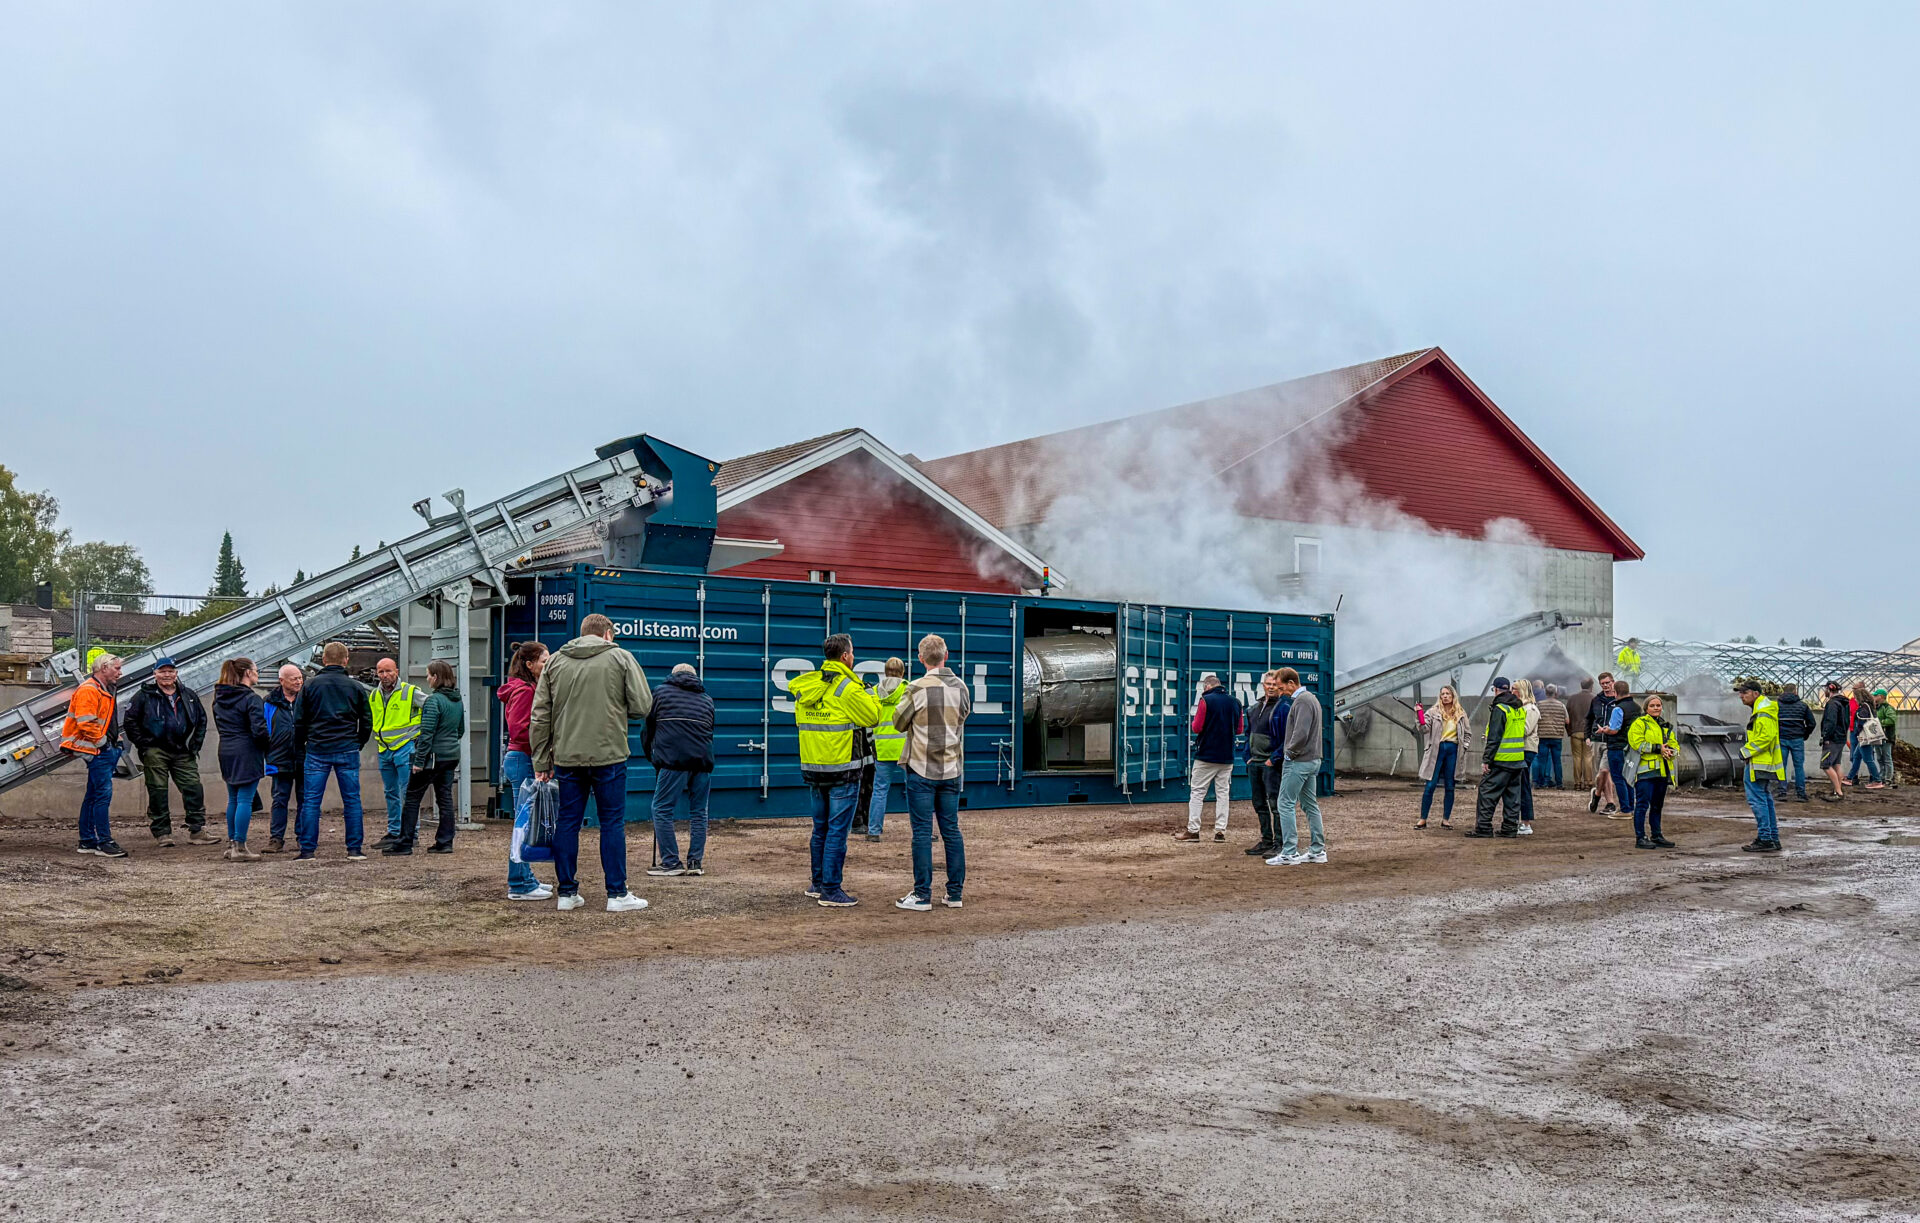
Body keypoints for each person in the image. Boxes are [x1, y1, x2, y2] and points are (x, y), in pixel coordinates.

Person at [532, 613, 654, 912]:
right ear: (608, 634)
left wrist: (541, 758)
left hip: (566, 755)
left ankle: (566, 893)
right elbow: (642, 706)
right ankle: (616, 894)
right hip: (608, 753)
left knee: (567, 822)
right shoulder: (621, 658)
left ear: (582, 632)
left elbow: (540, 716)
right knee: (611, 822)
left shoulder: (556, 661)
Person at [789, 633, 881, 908]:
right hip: (842, 769)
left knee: (820, 829)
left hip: (814, 768)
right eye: (852, 653)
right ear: (844, 656)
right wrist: (870, 694)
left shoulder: (808, 686)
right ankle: (831, 889)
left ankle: (817, 884)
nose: (854, 658)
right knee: (837, 832)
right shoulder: (849, 689)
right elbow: (873, 717)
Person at [892, 633, 971, 911]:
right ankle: (954, 893)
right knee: (951, 830)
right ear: (946, 656)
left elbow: (899, 723)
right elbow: (963, 717)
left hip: (921, 768)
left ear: (921, 658)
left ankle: (922, 894)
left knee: (922, 833)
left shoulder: (915, 688)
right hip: (951, 769)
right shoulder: (961, 687)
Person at [293, 641, 374, 861]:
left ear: (324, 660)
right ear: (346, 660)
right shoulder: (355, 687)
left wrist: (302, 744)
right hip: (347, 748)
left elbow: (299, 720)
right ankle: (354, 849)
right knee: (352, 800)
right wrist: (358, 742)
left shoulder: (310, 685)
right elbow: (367, 721)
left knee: (311, 800)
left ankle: (308, 849)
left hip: (317, 749)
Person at [125, 656, 215, 847]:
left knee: (193, 787)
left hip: (183, 750)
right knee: (158, 790)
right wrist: (144, 743)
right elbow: (130, 722)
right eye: (162, 671)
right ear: (154, 674)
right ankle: (162, 832)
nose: (167, 675)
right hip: (156, 751)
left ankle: (197, 830)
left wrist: (194, 745)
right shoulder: (144, 696)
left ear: (176, 673)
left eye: (170, 671)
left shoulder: (188, 695)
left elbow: (201, 720)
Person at [643, 662, 716, 877]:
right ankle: (695, 863)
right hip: (703, 760)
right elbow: (710, 731)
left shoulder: (659, 693)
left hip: (673, 760)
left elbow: (647, 730)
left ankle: (671, 862)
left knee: (661, 809)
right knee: (699, 812)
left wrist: (653, 758)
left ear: (673, 675)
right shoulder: (707, 699)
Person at [385, 659, 464, 855]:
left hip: (433, 757)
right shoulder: (457, 700)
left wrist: (419, 762)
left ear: (436, 677)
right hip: (451, 755)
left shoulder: (433, 701)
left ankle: (405, 843)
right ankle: (445, 842)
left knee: (412, 798)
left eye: (428, 675)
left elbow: (427, 734)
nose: (427, 679)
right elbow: (460, 730)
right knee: (444, 798)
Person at [497, 641, 552, 900]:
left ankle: (526, 877)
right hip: (524, 758)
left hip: (520, 757)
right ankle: (518, 883)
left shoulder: (524, 688)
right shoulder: (526, 691)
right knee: (523, 823)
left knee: (526, 822)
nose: (548, 664)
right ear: (529, 665)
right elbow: (521, 728)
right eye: (544, 660)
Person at [62, 652, 128, 858]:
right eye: (116, 668)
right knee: (101, 797)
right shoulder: (90, 690)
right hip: (98, 751)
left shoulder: (99, 689)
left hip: (100, 750)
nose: (120, 672)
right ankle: (104, 842)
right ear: (103, 668)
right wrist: (104, 744)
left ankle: (88, 840)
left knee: (93, 797)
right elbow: (86, 722)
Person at [1263, 668, 1325, 865]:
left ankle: (1289, 852)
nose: (1281, 692)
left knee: (1285, 803)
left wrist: (1288, 753)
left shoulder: (1303, 701)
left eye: (1282, 688)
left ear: (1291, 683)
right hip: (1311, 759)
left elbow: (1301, 733)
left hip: (1299, 761)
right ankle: (1317, 850)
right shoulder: (1311, 699)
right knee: (1309, 804)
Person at [212, 657, 271, 861]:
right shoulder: (251, 698)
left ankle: (232, 844)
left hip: (226, 749)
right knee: (245, 799)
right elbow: (259, 730)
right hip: (247, 750)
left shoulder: (219, 697)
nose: (257, 673)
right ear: (247, 673)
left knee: (234, 799)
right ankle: (240, 846)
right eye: (256, 669)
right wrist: (268, 746)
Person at [1178, 672, 1243, 842]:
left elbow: (1197, 727)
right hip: (1227, 755)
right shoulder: (1236, 702)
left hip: (1206, 755)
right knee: (1223, 793)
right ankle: (1220, 832)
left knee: (1198, 792)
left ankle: (1193, 831)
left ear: (1207, 686)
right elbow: (1239, 730)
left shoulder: (1205, 701)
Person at [369, 658, 425, 850]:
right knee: (390, 792)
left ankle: (411, 833)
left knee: (406, 792)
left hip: (404, 747)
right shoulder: (374, 695)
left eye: (388, 671)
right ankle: (394, 832)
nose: (384, 675)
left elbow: (431, 707)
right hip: (384, 748)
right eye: (381, 672)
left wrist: (420, 734)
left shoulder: (410, 692)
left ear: (396, 671)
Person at [1465, 677, 1527, 838]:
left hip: (1501, 760)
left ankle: (1483, 828)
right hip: (1518, 760)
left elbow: (1494, 737)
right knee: (1512, 797)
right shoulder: (1519, 707)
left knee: (1487, 793)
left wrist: (1487, 760)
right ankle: (1509, 829)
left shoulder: (1500, 708)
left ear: (1496, 689)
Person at [1736, 680, 1784, 852]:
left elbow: (1766, 737)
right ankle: (1771, 837)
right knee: (1765, 799)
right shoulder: (1764, 709)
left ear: (1756, 693)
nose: (1741, 696)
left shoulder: (1763, 712)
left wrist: (1746, 751)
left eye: (1744, 692)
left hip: (1759, 763)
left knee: (1757, 800)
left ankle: (1765, 838)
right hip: (1764, 762)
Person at [1416, 684, 1473, 830]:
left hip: (1453, 749)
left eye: (1448, 694)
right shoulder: (1433, 711)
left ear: (1453, 696)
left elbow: (1468, 733)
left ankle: (1446, 819)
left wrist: (1464, 747)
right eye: (1443, 694)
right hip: (1437, 749)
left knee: (1450, 786)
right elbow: (1424, 729)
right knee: (1430, 785)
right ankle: (1423, 819)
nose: (1445, 696)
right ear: (1440, 696)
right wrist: (1420, 715)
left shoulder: (1460, 713)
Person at [260, 664, 304, 853]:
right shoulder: (269, 702)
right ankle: (276, 839)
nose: (298, 681)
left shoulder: (307, 699)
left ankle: (303, 837)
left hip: (305, 757)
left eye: (300, 677)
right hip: (279, 759)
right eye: (294, 678)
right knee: (279, 799)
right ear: (281, 681)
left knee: (305, 799)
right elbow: (263, 730)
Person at [864, 658, 909, 842]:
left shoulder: (874, 692)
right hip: (906, 749)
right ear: (902, 672)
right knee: (916, 790)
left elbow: (868, 722)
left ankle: (874, 831)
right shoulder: (908, 689)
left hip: (882, 748)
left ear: (885, 672)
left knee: (879, 790)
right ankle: (924, 831)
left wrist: (871, 743)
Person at [1626, 694, 1678, 850]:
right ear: (1646, 708)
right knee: (1642, 805)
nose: (1656, 708)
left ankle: (1657, 835)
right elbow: (1636, 743)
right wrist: (1658, 748)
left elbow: (1674, 743)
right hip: (1645, 772)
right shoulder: (1639, 723)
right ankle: (1640, 837)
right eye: (1653, 705)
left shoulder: (1665, 725)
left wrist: (1671, 751)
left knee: (1657, 805)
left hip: (1662, 771)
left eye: (1658, 705)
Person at [1244, 671, 1285, 855]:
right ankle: (1266, 840)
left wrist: (1273, 759)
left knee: (1275, 804)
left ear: (1280, 686)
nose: (1271, 687)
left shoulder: (1283, 709)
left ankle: (1280, 843)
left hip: (1271, 765)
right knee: (1259, 803)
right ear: (1263, 685)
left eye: (1274, 684)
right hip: (1255, 763)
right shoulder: (1254, 708)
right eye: (1268, 684)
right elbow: (1248, 734)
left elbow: (1287, 739)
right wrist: (1248, 757)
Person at [1599, 680, 1640, 825]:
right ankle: (1631, 807)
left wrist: (1605, 730)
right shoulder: (1637, 707)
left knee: (1618, 778)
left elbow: (1614, 729)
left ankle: (1625, 809)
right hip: (1631, 748)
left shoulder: (1618, 709)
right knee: (1629, 778)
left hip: (1617, 747)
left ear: (1615, 692)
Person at [1771, 682, 1816, 804]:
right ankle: (1801, 793)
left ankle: (1782, 792)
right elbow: (1812, 723)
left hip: (1781, 739)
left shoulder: (1776, 705)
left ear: (1783, 692)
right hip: (1797, 739)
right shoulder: (1803, 706)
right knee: (1799, 767)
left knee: (1781, 767)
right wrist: (1804, 734)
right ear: (1795, 692)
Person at [1586, 671, 1618, 815]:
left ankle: (1606, 800)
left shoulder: (1618, 700)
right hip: (1597, 740)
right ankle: (1603, 798)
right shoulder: (1596, 700)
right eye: (1603, 684)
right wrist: (1587, 736)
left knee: (1605, 770)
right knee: (1602, 774)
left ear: (1613, 682)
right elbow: (1589, 718)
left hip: (1612, 740)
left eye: (1608, 683)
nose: (1605, 686)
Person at [1845, 682, 1884, 790]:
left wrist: (1857, 732)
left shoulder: (1864, 707)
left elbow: (1861, 722)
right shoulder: (1870, 706)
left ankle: (1877, 780)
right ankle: (1850, 777)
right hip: (1865, 736)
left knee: (1868, 759)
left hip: (1865, 737)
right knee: (1856, 756)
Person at [1515, 679, 1541, 834]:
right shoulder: (1523, 708)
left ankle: (1526, 822)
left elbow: (1525, 730)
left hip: (1527, 749)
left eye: (1515, 689)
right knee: (1520, 785)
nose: (1512, 692)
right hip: (1521, 749)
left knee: (1524, 785)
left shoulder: (1530, 709)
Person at [1818, 680, 1849, 802]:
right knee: (1836, 764)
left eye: (1825, 688)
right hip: (1841, 738)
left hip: (1832, 739)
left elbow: (1830, 722)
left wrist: (1825, 737)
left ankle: (1839, 792)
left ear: (1829, 689)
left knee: (1825, 765)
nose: (1824, 691)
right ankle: (1837, 789)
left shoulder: (1832, 704)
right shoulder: (1844, 703)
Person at [1565, 677, 1595, 792]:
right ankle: (1588, 782)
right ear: (1591, 686)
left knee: (1577, 758)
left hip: (1575, 732)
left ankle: (1577, 783)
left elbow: (1567, 716)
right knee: (1588, 757)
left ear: (1581, 686)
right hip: (1589, 733)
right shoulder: (1594, 698)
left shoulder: (1572, 698)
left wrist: (1569, 731)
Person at [1536, 684, 1568, 790]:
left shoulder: (1539, 704)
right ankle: (1559, 784)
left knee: (1542, 760)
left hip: (1543, 736)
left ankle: (1541, 783)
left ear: (1545, 693)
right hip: (1557, 736)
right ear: (1556, 693)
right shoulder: (1561, 705)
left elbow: (1535, 719)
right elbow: (1567, 721)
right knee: (1557, 761)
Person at [1874, 691, 1898, 790]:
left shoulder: (1887, 708)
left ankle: (1888, 779)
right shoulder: (1877, 708)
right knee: (1880, 758)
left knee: (1887, 758)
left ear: (1881, 696)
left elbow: (1892, 720)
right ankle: (1882, 778)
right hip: (1878, 737)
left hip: (1886, 737)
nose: (1874, 697)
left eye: (1876, 695)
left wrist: (1879, 723)